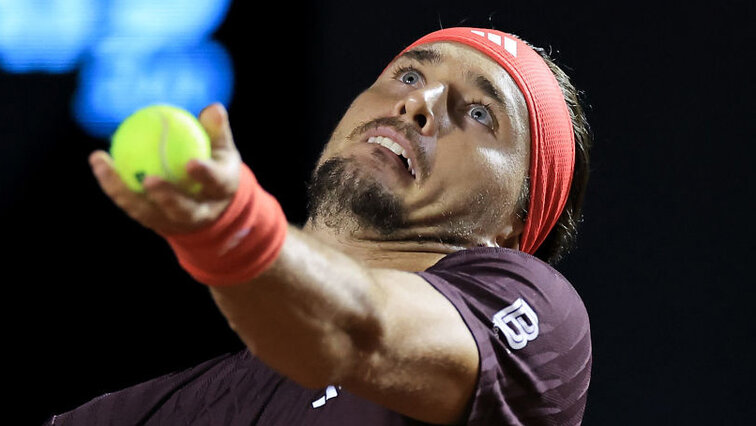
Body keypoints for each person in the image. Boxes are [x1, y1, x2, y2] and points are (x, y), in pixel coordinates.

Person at [47, 26, 593, 425]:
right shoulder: (166, 409)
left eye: (479, 113)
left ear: (514, 225)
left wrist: (231, 227)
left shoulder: (541, 320)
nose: (418, 103)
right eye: (408, 74)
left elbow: (357, 331)